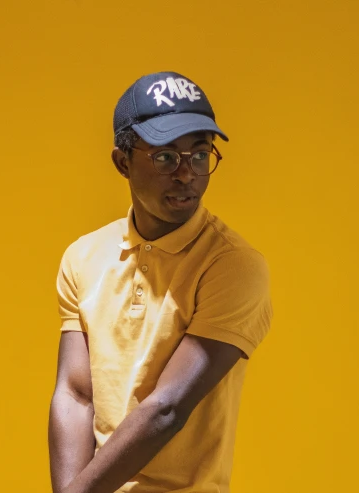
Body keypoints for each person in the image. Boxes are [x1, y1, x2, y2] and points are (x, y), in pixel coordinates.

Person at [48, 71, 274, 493]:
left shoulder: (231, 265)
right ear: (123, 162)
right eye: (166, 157)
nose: (187, 174)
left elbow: (166, 408)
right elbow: (76, 394)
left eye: (200, 155)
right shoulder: (83, 256)